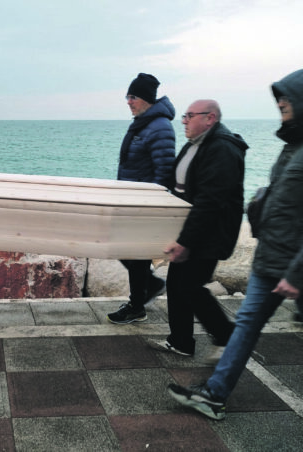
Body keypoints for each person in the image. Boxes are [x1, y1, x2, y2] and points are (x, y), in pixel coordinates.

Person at [167, 69, 303, 420]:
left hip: (287, 262)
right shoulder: (292, 146)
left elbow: (213, 198)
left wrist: (296, 273)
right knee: (245, 325)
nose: (280, 103)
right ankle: (214, 393)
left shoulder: (223, 147)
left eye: (286, 98)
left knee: (226, 312)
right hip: (271, 256)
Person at [148, 99, 248, 356]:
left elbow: (210, 201)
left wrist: (185, 242)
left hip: (209, 233)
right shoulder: (197, 143)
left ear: (210, 118)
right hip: (192, 229)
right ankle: (181, 341)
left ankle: (228, 337)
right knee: (177, 284)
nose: (183, 120)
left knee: (190, 286)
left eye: (190, 116)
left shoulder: (222, 149)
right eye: (184, 115)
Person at [107, 73, 175, 324]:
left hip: (144, 205)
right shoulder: (144, 123)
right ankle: (145, 294)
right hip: (132, 200)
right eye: (127, 96)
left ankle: (138, 303)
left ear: (146, 98)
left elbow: (164, 171)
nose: (128, 101)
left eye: (132, 97)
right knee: (130, 253)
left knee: (134, 254)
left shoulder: (159, 127)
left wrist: (153, 206)